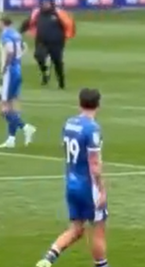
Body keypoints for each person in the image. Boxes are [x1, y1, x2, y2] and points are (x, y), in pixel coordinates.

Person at [36, 88, 108, 267]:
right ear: (98, 105)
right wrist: (101, 189)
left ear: (79, 103)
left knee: (76, 229)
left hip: (71, 183)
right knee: (98, 230)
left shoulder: (69, 123)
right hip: (88, 186)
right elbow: (94, 165)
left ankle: (47, 259)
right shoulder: (92, 129)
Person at [0, 15, 36, 149]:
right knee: (12, 106)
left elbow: (10, 51)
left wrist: (5, 68)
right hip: (17, 69)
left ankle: (25, 127)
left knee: (3, 107)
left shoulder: (5, 35)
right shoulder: (17, 34)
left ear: (2, 23)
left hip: (10, 72)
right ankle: (11, 139)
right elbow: (24, 48)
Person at [22, 0, 75, 88]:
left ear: (52, 5)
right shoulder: (37, 13)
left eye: (47, 4)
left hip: (56, 42)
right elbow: (28, 22)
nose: (45, 6)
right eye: (44, 4)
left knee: (57, 62)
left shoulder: (59, 13)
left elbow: (69, 24)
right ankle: (45, 73)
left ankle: (61, 81)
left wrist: (66, 36)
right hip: (41, 41)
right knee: (38, 56)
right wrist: (20, 31)